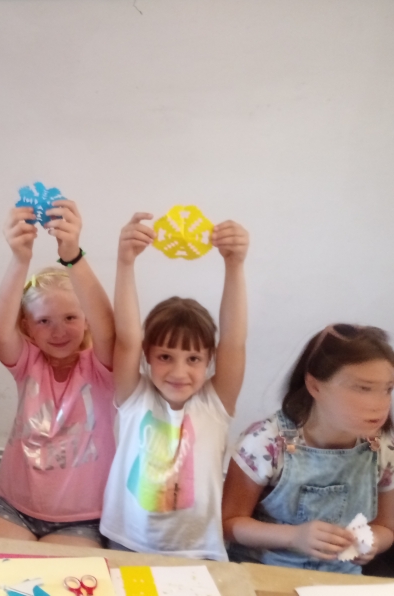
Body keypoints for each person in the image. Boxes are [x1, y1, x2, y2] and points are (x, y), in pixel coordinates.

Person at [100, 212, 249, 560]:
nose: (179, 372)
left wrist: (234, 265)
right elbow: (127, 338)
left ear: (209, 360)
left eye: (193, 359)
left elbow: (234, 341)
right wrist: (125, 262)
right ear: (147, 357)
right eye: (165, 357)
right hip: (127, 542)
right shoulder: (135, 397)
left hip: (197, 551)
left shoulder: (214, 404)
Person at [0, 200, 116, 547]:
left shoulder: (101, 367)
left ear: (86, 320)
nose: (59, 331)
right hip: (13, 507)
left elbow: (109, 328)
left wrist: (73, 256)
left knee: (63, 576)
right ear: (28, 327)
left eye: (70, 318)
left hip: (81, 519)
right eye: (44, 321)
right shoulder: (28, 363)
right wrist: (19, 258)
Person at [223, 324, 394, 574]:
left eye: (388, 389)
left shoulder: (384, 449)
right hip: (265, 575)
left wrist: (374, 542)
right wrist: (293, 536)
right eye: (363, 388)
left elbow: (386, 527)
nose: (379, 404)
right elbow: (229, 524)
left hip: (341, 581)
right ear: (315, 386)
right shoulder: (266, 442)